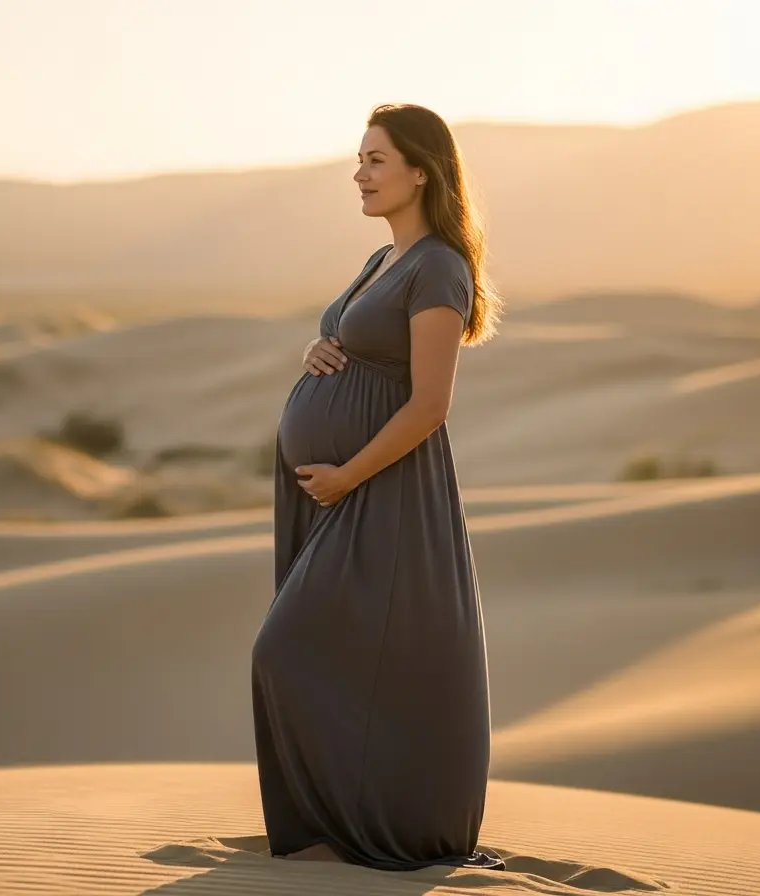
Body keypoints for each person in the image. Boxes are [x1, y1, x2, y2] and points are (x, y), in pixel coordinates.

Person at [250, 102, 505, 871]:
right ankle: (337, 827)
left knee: (285, 651)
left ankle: (380, 826)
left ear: (420, 170)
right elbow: (359, 341)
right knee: (344, 656)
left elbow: (430, 404)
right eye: (359, 160)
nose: (358, 175)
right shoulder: (383, 260)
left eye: (374, 160)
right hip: (334, 490)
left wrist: (348, 477)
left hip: (380, 489)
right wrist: (320, 346)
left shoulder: (438, 267)